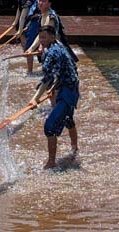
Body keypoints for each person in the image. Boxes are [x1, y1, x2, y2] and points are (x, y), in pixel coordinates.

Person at [28, 24, 80, 169]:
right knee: (68, 119)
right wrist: (54, 86)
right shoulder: (58, 45)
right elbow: (64, 70)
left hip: (68, 91)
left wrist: (35, 98)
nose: (42, 40)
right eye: (40, 37)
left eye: (44, 37)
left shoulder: (53, 53)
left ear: (52, 36)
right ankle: (75, 149)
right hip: (71, 87)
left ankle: (51, 162)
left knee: (49, 127)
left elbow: (48, 78)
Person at [25, 0, 78, 66]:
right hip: (49, 47)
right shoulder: (42, 15)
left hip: (57, 49)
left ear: (49, 4)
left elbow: (43, 34)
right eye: (39, 0)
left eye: (44, 1)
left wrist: (31, 49)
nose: (40, 3)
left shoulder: (50, 17)